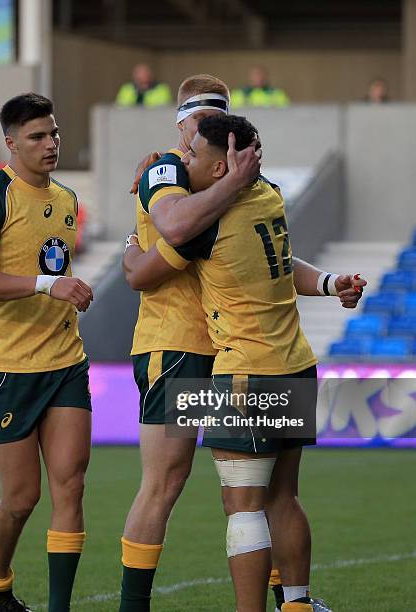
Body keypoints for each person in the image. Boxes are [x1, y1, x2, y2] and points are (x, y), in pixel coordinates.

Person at [120, 74, 364, 612]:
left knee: (244, 505)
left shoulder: (217, 206)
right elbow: (271, 260)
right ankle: (295, 602)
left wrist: (131, 252)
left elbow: (147, 268)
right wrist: (328, 282)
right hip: (272, 357)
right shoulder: (260, 193)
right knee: (262, 492)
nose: (195, 153)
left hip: (242, 366)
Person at [0, 93, 93, 612]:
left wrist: (68, 290)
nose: (50, 144)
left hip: (65, 363)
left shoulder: (67, 199)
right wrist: (47, 285)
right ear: (11, 143)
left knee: (72, 485)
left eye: (54, 133)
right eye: (37, 137)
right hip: (8, 368)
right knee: (21, 500)